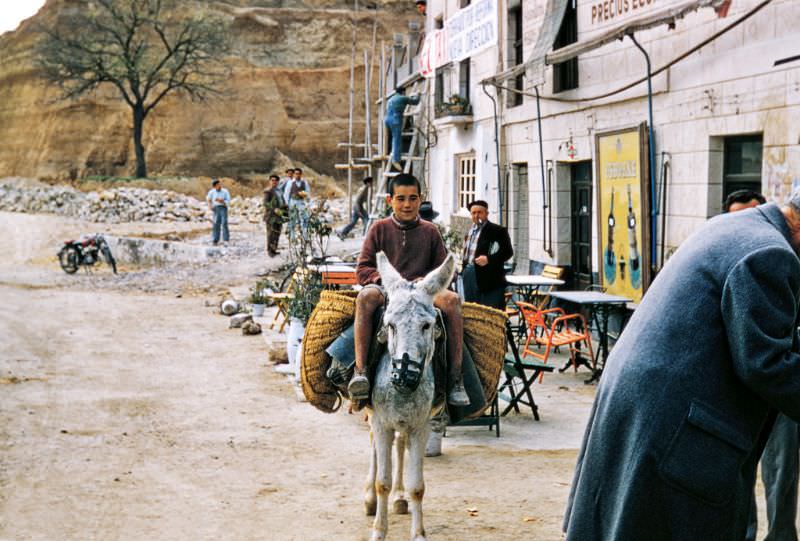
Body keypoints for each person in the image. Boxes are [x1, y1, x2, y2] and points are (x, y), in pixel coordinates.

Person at [563, 189, 800, 540]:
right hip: (675, 432)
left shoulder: (734, 227)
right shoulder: (770, 253)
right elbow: (768, 364)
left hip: (643, 413)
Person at [346, 173, 469, 406]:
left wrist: (427, 281)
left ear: (420, 200)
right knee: (365, 297)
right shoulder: (378, 229)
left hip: (424, 294)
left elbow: (446, 270)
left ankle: (455, 378)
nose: (407, 204)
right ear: (390, 200)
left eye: (413, 198)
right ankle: (360, 372)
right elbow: (363, 269)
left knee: (452, 300)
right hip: (389, 291)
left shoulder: (430, 231)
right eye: (401, 198)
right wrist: (386, 281)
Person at [729, 191, 800, 541]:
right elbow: (759, 360)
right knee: (741, 466)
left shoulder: (780, 250)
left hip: (788, 376)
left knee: (781, 467)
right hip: (763, 377)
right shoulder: (768, 252)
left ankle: (782, 534)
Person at [460, 200, 513, 310]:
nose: (476, 215)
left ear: (486, 214)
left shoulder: (497, 230)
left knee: (489, 314)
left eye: (479, 212)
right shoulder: (470, 231)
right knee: (472, 312)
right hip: (469, 276)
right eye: (473, 213)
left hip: (489, 280)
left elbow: (508, 252)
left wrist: (489, 259)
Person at [385, 87, 420, 170]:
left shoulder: (390, 99)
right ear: (403, 92)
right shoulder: (402, 98)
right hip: (395, 119)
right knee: (397, 139)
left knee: (394, 138)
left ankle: (393, 153)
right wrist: (418, 95)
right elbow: (415, 102)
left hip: (388, 119)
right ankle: (396, 159)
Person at [263, 174, 287, 257]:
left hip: (279, 216)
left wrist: (286, 209)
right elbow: (265, 203)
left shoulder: (279, 191)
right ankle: (270, 251)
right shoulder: (268, 191)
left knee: (277, 232)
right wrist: (274, 209)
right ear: (270, 181)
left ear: (278, 182)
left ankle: (274, 249)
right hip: (271, 216)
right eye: (272, 180)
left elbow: (282, 202)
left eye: (275, 180)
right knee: (271, 233)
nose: (274, 182)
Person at [283, 168, 311, 237]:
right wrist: (286, 203)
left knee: (305, 218)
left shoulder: (304, 182)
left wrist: (307, 199)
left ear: (301, 174)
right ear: (294, 174)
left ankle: (304, 235)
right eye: (296, 174)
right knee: (292, 219)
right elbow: (286, 193)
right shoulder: (290, 182)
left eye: (299, 174)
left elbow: (308, 192)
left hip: (301, 202)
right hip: (292, 202)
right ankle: (292, 236)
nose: (297, 175)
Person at [206, 178, 230, 245]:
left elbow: (228, 201)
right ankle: (215, 240)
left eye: (219, 184)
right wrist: (210, 205)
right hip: (215, 208)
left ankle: (226, 240)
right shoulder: (212, 192)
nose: (219, 186)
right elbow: (208, 199)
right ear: (214, 186)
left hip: (223, 207)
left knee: (224, 223)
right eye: (217, 185)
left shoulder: (225, 191)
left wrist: (222, 201)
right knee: (216, 224)